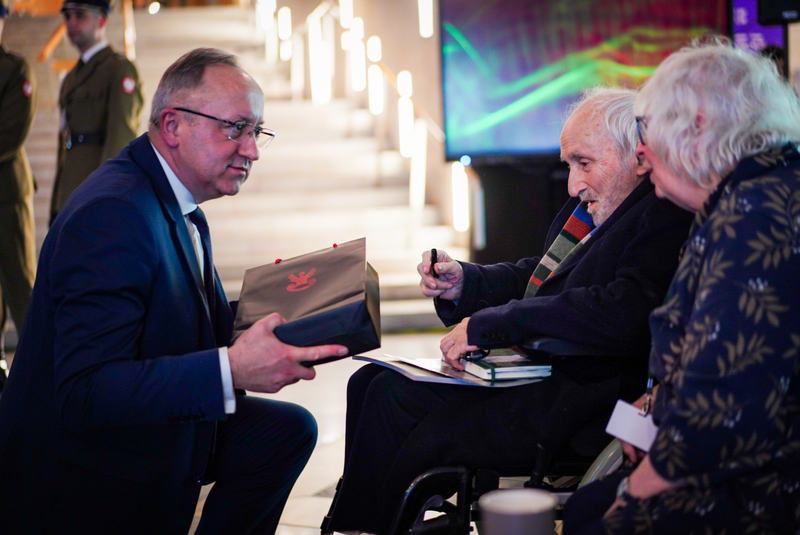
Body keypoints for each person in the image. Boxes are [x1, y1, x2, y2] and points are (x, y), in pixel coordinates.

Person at [0, 48, 349, 535]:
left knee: (286, 431)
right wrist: (231, 369)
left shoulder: (178, 202)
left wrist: (306, 307)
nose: (250, 150)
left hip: (128, 427)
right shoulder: (113, 214)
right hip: (79, 467)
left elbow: (185, 317)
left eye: (257, 132)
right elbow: (85, 393)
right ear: (172, 126)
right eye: (235, 128)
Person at [322, 87, 694, 535]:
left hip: (582, 399)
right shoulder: (595, 206)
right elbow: (540, 277)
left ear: (637, 157)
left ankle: (374, 525)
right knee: (368, 382)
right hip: (539, 378)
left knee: (395, 401)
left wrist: (490, 324)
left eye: (584, 163)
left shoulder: (662, 214)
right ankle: (361, 524)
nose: (573, 184)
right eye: (570, 165)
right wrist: (466, 281)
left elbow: (624, 311)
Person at [563, 40, 800, 535]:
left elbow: (725, 408)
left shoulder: (752, 219)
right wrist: (658, 403)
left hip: (758, 488)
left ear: (697, 128)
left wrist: (634, 491)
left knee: (595, 518)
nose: (641, 154)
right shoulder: (760, 192)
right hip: (740, 459)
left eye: (648, 130)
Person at [50, 0, 143, 225]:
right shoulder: (72, 76)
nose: (71, 22)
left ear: (101, 20)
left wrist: (107, 194)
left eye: (80, 15)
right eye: (67, 16)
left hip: (96, 190)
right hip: (71, 189)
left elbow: (121, 136)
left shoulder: (118, 68)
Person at [0, 1, 36, 392]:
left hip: (6, 196)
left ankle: (37, 372)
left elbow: (10, 133)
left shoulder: (14, 69)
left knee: (20, 286)